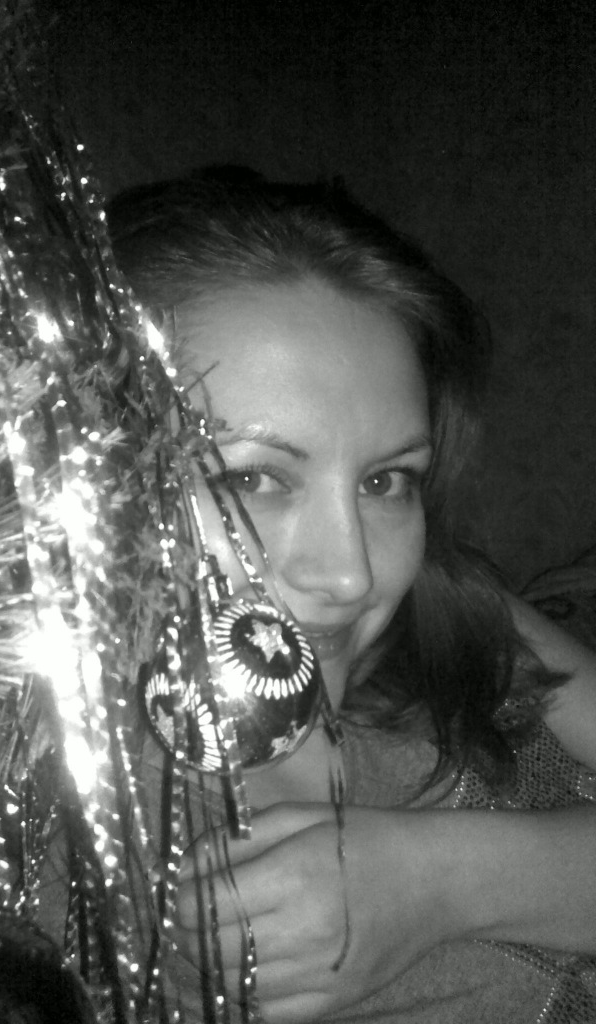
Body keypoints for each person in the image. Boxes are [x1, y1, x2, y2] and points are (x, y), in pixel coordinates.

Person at [102, 169, 596, 1024]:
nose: (353, 575)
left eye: (383, 481)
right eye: (251, 478)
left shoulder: (451, 604)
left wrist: (440, 880)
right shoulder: (78, 855)